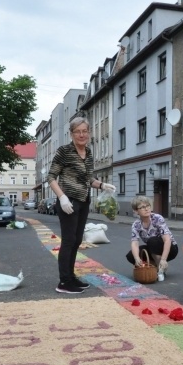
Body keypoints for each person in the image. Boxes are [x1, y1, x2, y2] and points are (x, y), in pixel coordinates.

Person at [47, 116, 116, 294]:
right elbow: (51, 178)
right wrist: (61, 198)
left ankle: (71, 277)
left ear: (89, 133)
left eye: (84, 131)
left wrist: (101, 185)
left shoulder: (89, 153)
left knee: (77, 240)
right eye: (77, 131)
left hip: (84, 201)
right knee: (69, 241)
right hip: (68, 201)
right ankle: (63, 282)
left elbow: (88, 179)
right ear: (71, 134)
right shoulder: (64, 151)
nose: (81, 135)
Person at [127, 196, 178, 282]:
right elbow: (134, 243)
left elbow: (167, 240)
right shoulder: (136, 224)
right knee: (131, 255)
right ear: (136, 211)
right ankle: (151, 267)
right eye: (143, 207)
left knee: (152, 241)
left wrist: (163, 259)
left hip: (170, 248)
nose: (146, 209)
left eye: (148, 206)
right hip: (153, 249)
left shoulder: (157, 218)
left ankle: (160, 269)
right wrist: (136, 258)